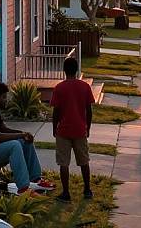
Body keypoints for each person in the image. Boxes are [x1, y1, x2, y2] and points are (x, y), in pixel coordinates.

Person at [51, 57, 95, 203]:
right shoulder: (85, 87)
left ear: (64, 70)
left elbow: (56, 111)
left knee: (64, 163)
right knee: (84, 161)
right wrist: (87, 127)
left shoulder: (59, 88)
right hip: (80, 129)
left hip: (63, 130)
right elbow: (89, 110)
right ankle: (87, 190)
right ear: (77, 70)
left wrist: (54, 127)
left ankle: (66, 193)